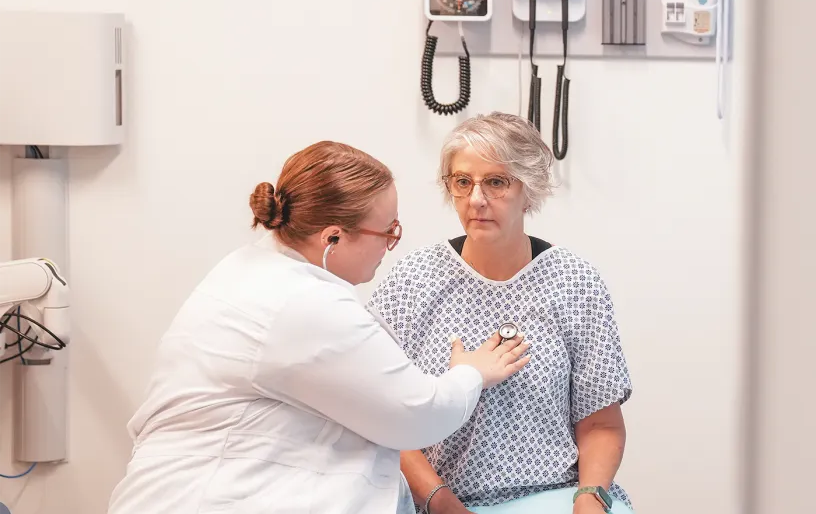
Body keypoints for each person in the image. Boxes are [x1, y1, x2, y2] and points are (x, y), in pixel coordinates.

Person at [107, 141, 531, 514]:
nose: (390, 244)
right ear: (332, 238)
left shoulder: (247, 269)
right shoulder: (304, 306)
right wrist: (471, 372)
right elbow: (416, 415)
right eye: (388, 231)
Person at [368, 113, 634, 514]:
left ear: (530, 189)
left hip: (556, 496)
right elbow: (382, 416)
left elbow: (601, 424)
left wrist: (590, 498)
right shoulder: (414, 279)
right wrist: (443, 504)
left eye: (495, 182)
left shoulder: (575, 282)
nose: (476, 200)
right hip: (438, 500)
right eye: (462, 182)